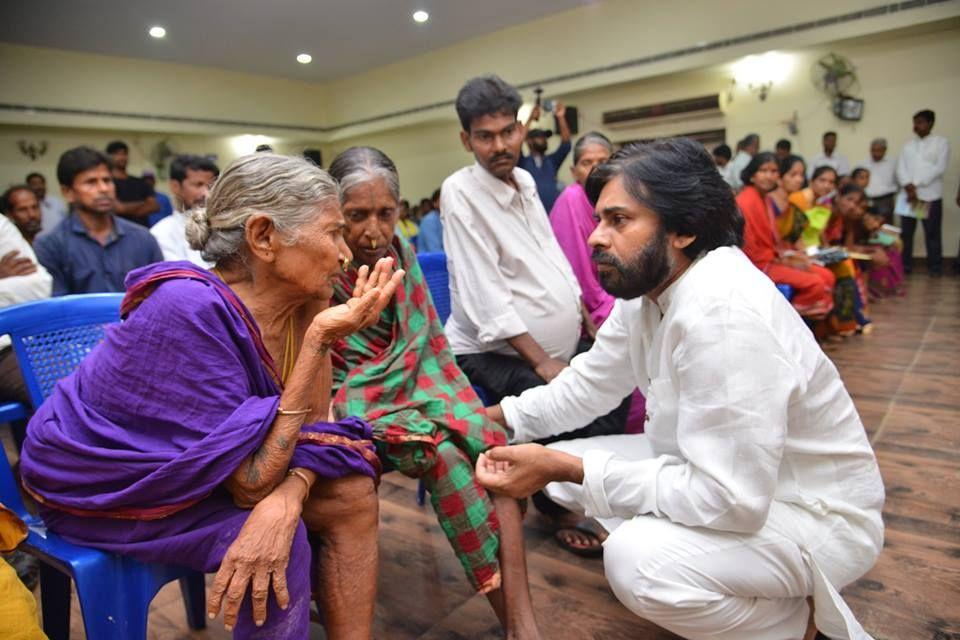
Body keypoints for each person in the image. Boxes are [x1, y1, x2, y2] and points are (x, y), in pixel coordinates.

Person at [475, 138, 884, 640]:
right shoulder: (650, 290)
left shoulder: (724, 314)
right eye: (599, 219)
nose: (596, 238)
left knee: (636, 562)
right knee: (562, 472)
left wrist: (568, 467)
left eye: (619, 221)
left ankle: (797, 626)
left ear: (684, 229)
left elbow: (730, 499)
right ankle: (743, 588)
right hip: (733, 480)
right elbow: (585, 387)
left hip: (810, 514)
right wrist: (493, 419)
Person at [20, 153, 405, 639]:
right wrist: (319, 342)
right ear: (264, 237)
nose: (346, 253)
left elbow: (315, 430)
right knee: (275, 546)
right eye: (331, 233)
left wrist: (289, 496)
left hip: (217, 473)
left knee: (351, 493)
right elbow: (248, 483)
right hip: (99, 486)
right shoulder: (189, 308)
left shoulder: (308, 299)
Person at [327, 147, 540, 638]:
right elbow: (324, 369)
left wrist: (448, 402)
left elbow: (427, 344)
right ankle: (515, 619)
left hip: (416, 389)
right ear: (334, 214)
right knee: (443, 453)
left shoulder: (401, 255)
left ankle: (518, 610)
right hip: (350, 404)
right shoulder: (321, 268)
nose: (372, 231)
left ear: (401, 210)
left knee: (492, 448)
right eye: (356, 216)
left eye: (385, 214)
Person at [442, 75, 630, 555]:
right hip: (489, 349)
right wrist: (543, 363)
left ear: (521, 129)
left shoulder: (525, 181)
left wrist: (582, 317)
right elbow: (486, 298)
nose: (500, 145)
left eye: (508, 131)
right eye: (485, 136)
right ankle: (555, 501)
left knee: (615, 384)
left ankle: (586, 492)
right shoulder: (459, 192)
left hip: (553, 342)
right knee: (557, 397)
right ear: (467, 140)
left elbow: (552, 257)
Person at [550, 132, 648, 433]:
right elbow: (586, 284)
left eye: (602, 162)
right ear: (574, 170)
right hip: (594, 309)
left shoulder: (618, 198)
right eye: (586, 162)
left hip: (619, 297)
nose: (593, 169)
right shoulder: (572, 200)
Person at [34, 147, 163, 295]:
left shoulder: (143, 239)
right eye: (91, 182)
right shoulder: (50, 245)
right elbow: (57, 309)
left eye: (107, 180)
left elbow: (159, 298)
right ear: (68, 192)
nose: (103, 188)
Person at [736, 153, 834, 319]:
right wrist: (784, 260)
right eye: (764, 170)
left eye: (774, 171)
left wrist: (790, 257)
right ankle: (787, 319)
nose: (769, 176)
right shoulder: (746, 201)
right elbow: (750, 247)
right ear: (752, 175)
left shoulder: (765, 198)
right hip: (759, 264)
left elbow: (776, 241)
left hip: (773, 257)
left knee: (827, 277)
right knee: (817, 283)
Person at [896, 109, 950, 277]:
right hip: (909, 197)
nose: (916, 126)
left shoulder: (940, 143)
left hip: (928, 196)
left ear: (930, 123)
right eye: (915, 122)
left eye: (920, 122)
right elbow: (901, 168)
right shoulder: (908, 146)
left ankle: (935, 267)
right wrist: (908, 186)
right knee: (907, 234)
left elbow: (939, 168)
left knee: (931, 234)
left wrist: (915, 185)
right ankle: (905, 266)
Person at [150, 155, 220, 266]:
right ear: (175, 186)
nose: (207, 194)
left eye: (211, 186)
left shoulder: (223, 227)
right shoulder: (162, 233)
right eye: (198, 185)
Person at [518, 101, 572, 213]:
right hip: (530, 215)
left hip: (554, 215)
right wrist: (530, 119)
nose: (543, 140)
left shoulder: (551, 161)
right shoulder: (522, 162)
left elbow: (566, 144)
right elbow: (516, 143)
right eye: (539, 137)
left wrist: (560, 117)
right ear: (529, 141)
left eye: (544, 137)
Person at [106, 140, 159, 225]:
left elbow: (154, 206)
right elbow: (118, 208)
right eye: (117, 154)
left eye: (124, 153)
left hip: (142, 233)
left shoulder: (141, 182)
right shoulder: (107, 183)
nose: (122, 157)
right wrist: (143, 204)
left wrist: (125, 209)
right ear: (109, 157)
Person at [791, 166, 839, 250]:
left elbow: (819, 234)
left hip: (814, 249)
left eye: (831, 182)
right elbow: (792, 234)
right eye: (822, 180)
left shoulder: (823, 206)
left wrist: (828, 250)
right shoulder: (797, 198)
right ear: (811, 181)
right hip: (798, 249)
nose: (826, 185)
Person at [860, 138, 898, 222]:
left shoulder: (893, 163)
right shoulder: (863, 163)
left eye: (878, 150)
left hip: (885, 200)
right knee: (867, 224)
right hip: (867, 199)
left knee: (885, 226)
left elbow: (899, 181)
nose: (875, 153)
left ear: (885, 150)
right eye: (873, 150)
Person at [417, 188, 444, 253]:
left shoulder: (448, 219)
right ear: (435, 203)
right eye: (443, 199)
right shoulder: (429, 221)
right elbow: (435, 250)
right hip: (431, 261)